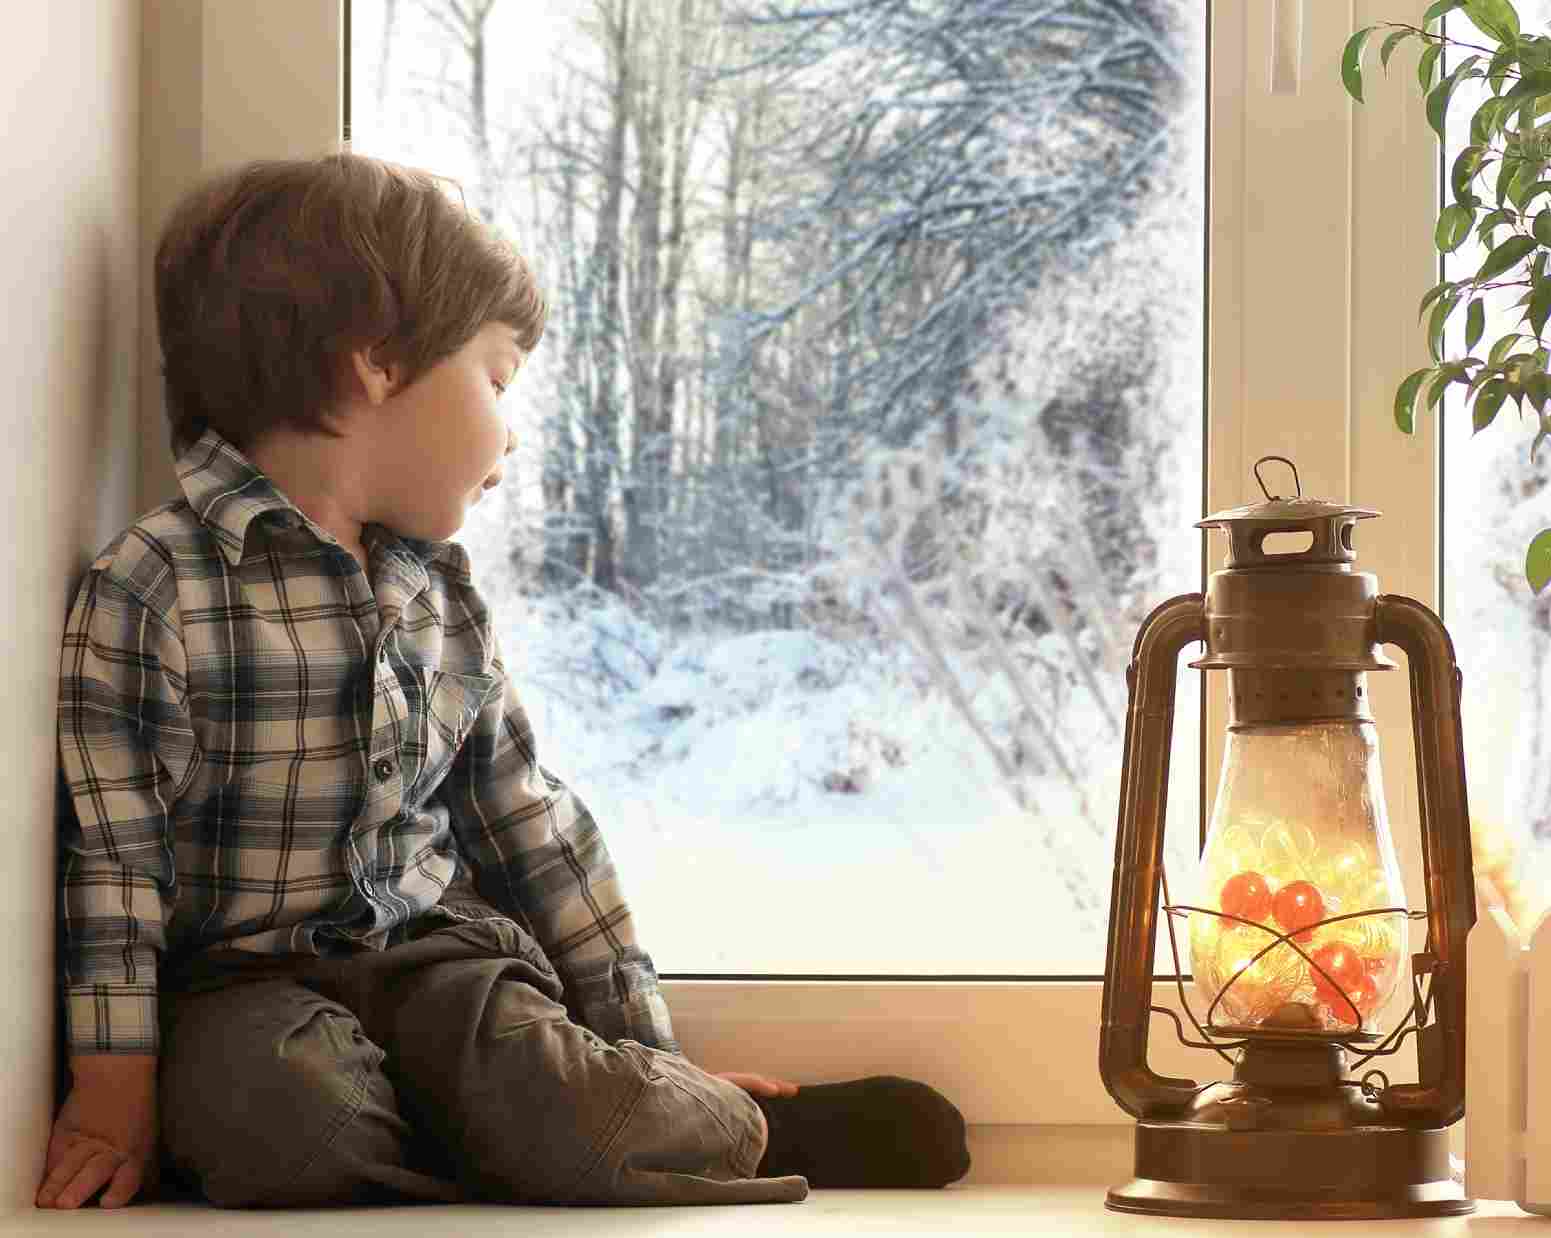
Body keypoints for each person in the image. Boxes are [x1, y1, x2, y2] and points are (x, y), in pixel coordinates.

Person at [37, 151, 969, 1211]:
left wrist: (637, 1042)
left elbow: (529, 824)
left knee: (561, 1091)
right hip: (243, 989)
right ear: (377, 361)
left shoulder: (439, 593)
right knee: (286, 1123)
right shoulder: (154, 585)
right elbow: (114, 859)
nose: (510, 430)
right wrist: (113, 1092)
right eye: (497, 376)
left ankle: (695, 1121)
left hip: (435, 965)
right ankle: (551, 1142)